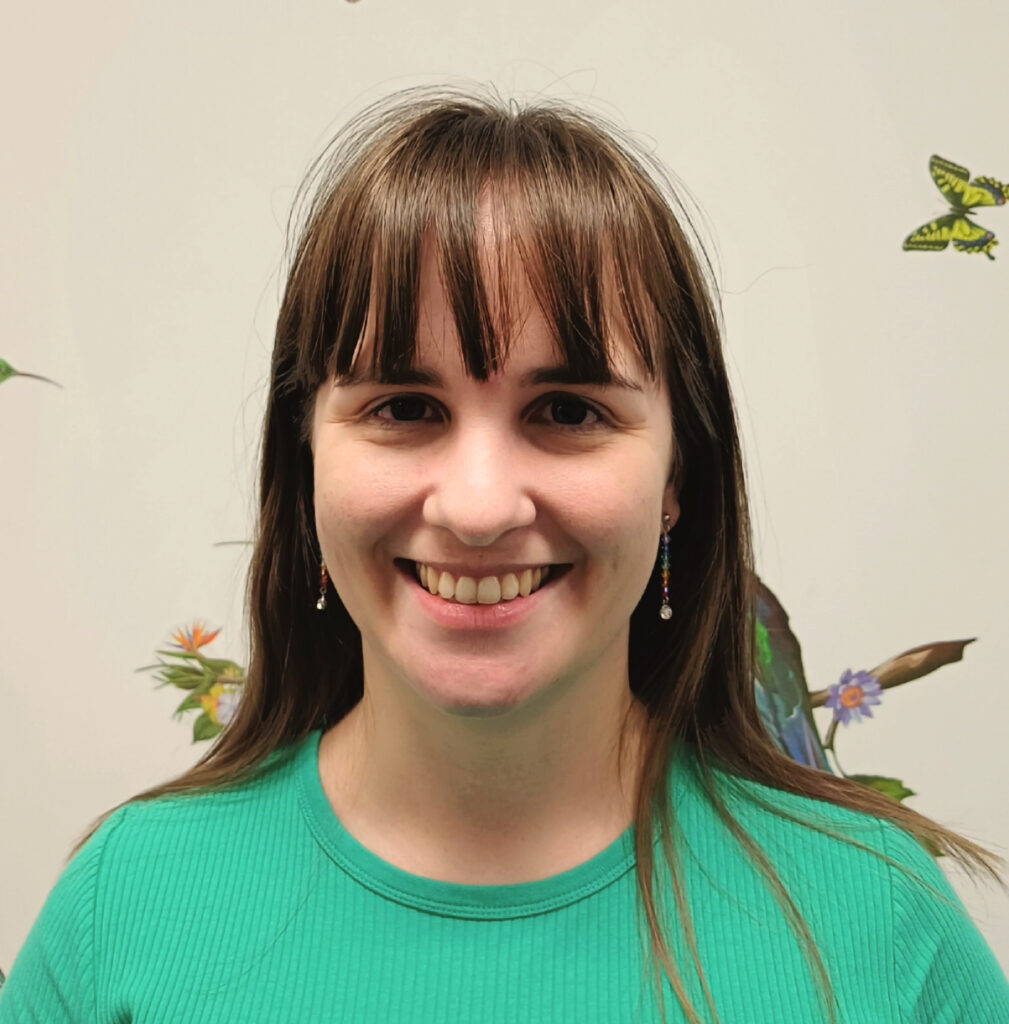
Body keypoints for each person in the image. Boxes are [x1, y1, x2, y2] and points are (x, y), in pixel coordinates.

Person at [2, 83, 1008, 1024]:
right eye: (404, 407)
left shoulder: (881, 930)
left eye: (566, 410)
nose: (478, 507)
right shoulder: (122, 912)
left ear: (676, 484)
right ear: (304, 464)